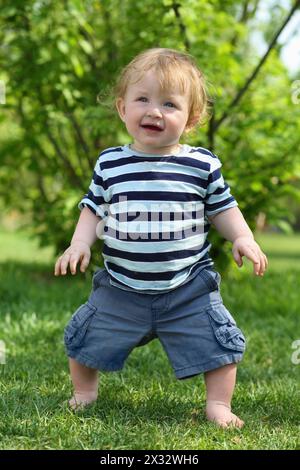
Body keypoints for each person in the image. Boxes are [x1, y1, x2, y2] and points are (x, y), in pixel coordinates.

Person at [54, 48, 267, 428]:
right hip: (120, 287)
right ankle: (84, 392)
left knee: (219, 343)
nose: (154, 111)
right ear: (122, 109)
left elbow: (222, 208)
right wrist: (80, 243)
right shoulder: (111, 163)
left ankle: (218, 404)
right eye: (143, 100)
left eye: (170, 103)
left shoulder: (201, 165)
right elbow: (92, 208)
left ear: (191, 118)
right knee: (86, 337)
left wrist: (243, 237)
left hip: (187, 288)